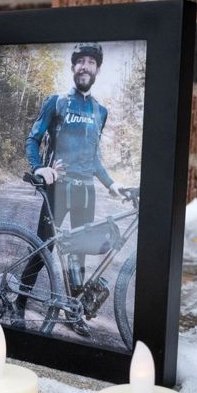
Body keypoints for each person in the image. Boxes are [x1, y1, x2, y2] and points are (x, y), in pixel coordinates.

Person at [17, 42, 122, 337]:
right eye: (81, 61)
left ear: (97, 69)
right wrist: (40, 167)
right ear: (73, 66)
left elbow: (94, 157)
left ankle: (73, 312)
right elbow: (32, 139)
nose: (85, 66)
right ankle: (19, 300)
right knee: (42, 248)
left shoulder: (101, 111)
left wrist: (112, 184)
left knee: (78, 254)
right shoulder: (57, 102)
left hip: (85, 192)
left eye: (91, 62)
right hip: (58, 189)